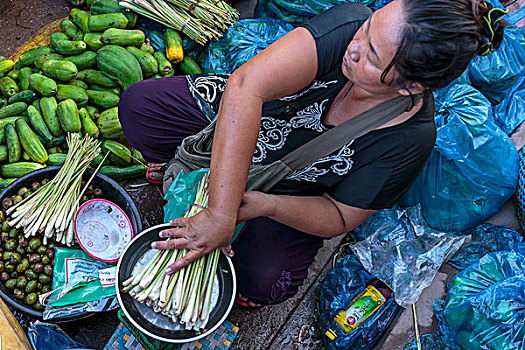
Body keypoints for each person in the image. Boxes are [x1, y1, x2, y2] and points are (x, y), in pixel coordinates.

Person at [118, 0, 507, 306]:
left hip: (288, 189)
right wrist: (220, 213)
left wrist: (267, 205)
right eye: (368, 29)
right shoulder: (349, 25)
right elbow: (245, 87)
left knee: (267, 281)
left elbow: (340, 216)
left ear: (410, 87)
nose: (355, 47)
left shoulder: (407, 141)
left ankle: (227, 197)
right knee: (140, 109)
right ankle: (193, 168)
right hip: (245, 116)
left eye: (372, 56)